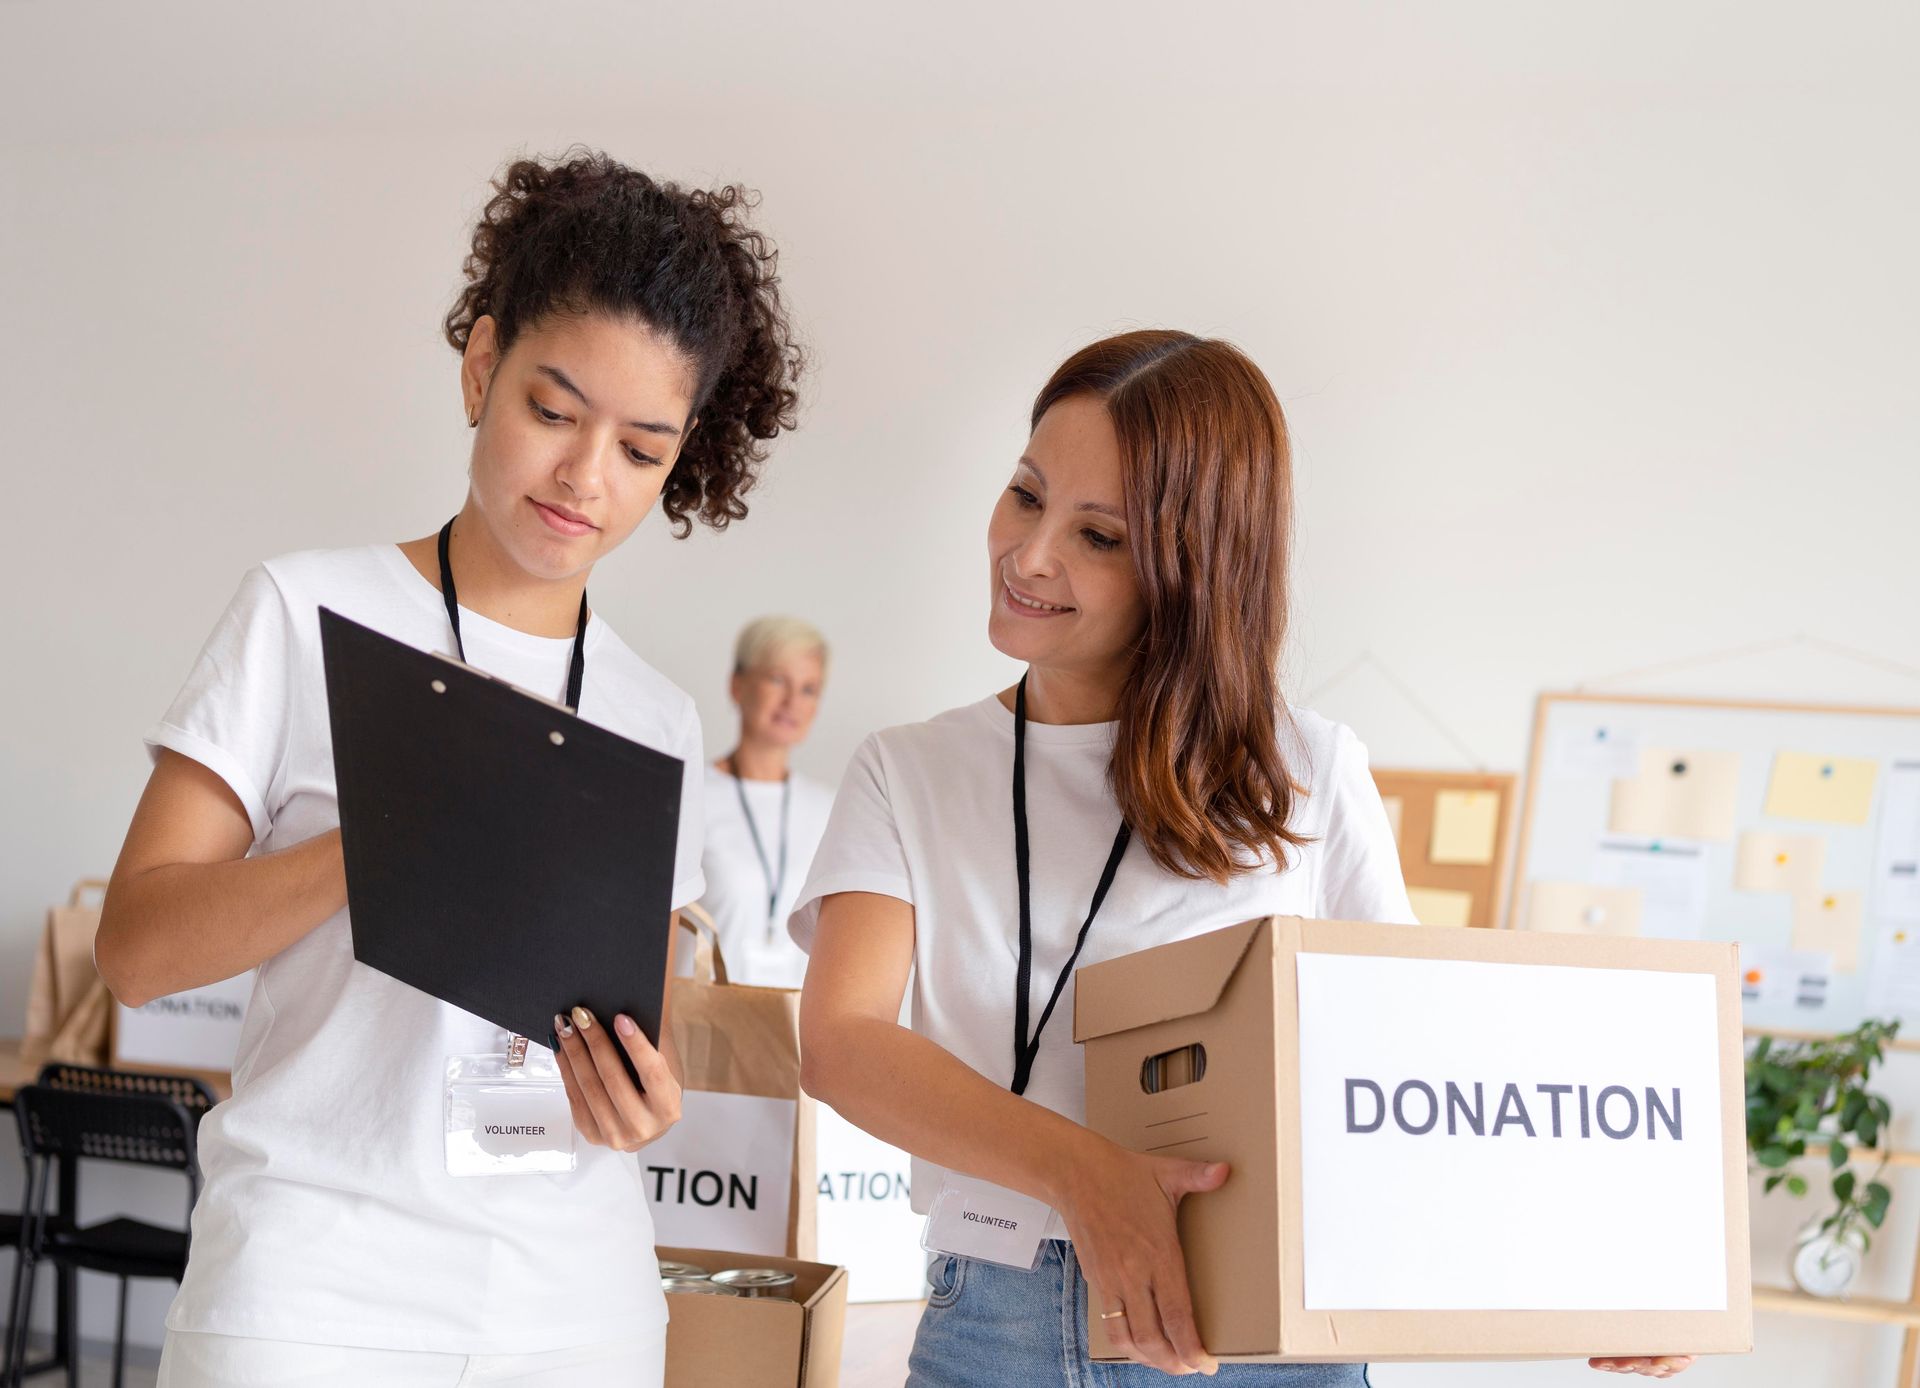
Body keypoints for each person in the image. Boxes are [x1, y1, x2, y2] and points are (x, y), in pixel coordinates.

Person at [790, 330, 1695, 1383]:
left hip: (1260, 1328)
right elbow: (843, 1040)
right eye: (1027, 495)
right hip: (1001, 1319)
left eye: (1099, 535)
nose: (1032, 554)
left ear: (1191, 566)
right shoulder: (910, 769)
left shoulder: (1303, 767)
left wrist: (1589, 1268)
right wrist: (1086, 1172)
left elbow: (1407, 1081)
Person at [94, 148, 803, 1387]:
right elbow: (138, 951)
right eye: (551, 408)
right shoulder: (303, 609)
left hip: (573, 1310)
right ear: (482, 367)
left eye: (641, 448)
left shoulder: (660, 714)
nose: (586, 476)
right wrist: (386, 836)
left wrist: (639, 1098)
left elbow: (651, 1022)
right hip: (308, 1290)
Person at [699, 616, 835, 986]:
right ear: (737, 685)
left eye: (809, 689)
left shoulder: (831, 810)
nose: (792, 701)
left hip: (792, 1037)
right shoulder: (691, 794)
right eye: (777, 679)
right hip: (698, 1033)